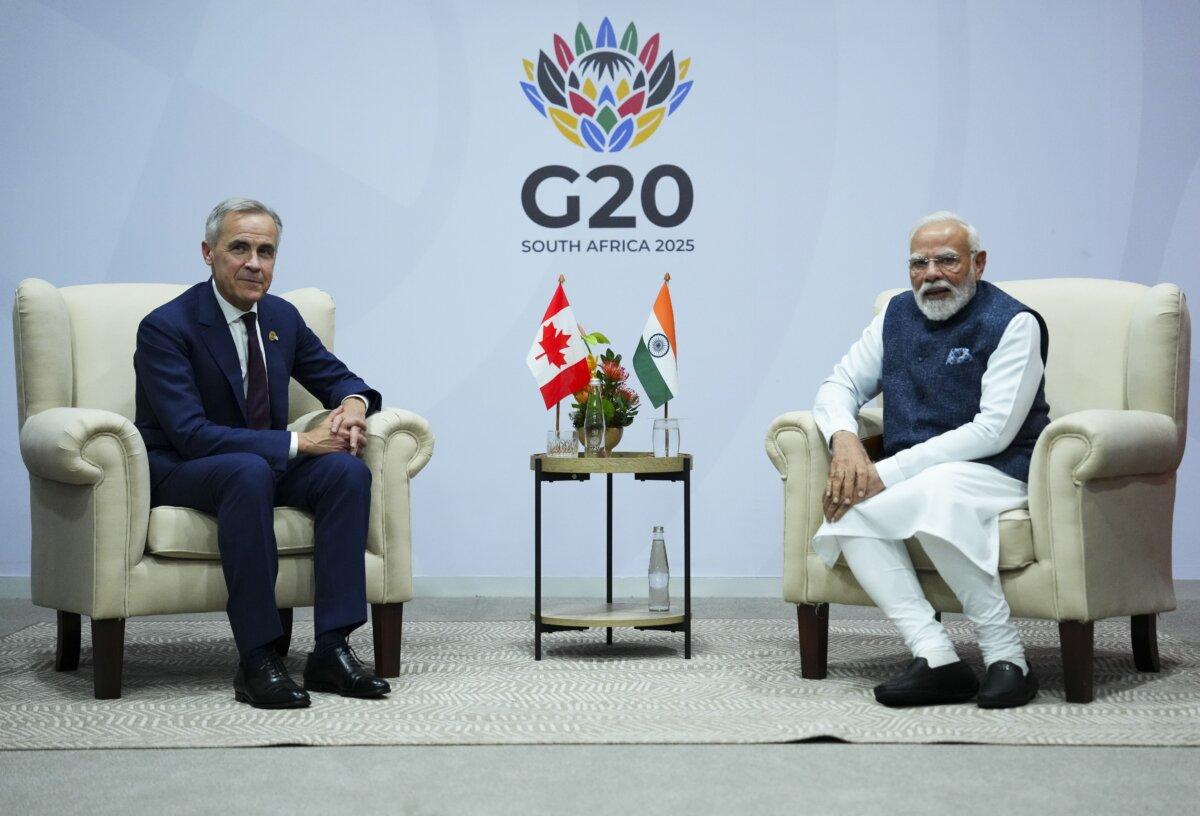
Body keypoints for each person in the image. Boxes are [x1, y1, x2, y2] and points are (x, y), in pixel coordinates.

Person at [134, 198, 390, 709]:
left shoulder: (280, 316)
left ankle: (331, 648)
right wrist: (301, 442)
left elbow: (341, 378)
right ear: (208, 253)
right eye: (240, 248)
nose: (255, 262)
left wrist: (354, 406)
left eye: (266, 251)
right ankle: (258, 658)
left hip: (258, 463)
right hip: (183, 467)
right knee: (251, 471)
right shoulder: (167, 326)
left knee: (344, 472)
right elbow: (190, 433)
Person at [810, 211, 1049, 708]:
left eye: (947, 260)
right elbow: (839, 385)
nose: (931, 274)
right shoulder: (895, 316)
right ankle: (935, 656)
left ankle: (1008, 658)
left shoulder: (1015, 322)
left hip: (1001, 468)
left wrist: (887, 472)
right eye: (919, 263)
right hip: (917, 472)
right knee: (847, 507)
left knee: (937, 493)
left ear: (978, 264)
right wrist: (845, 439)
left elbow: (993, 430)